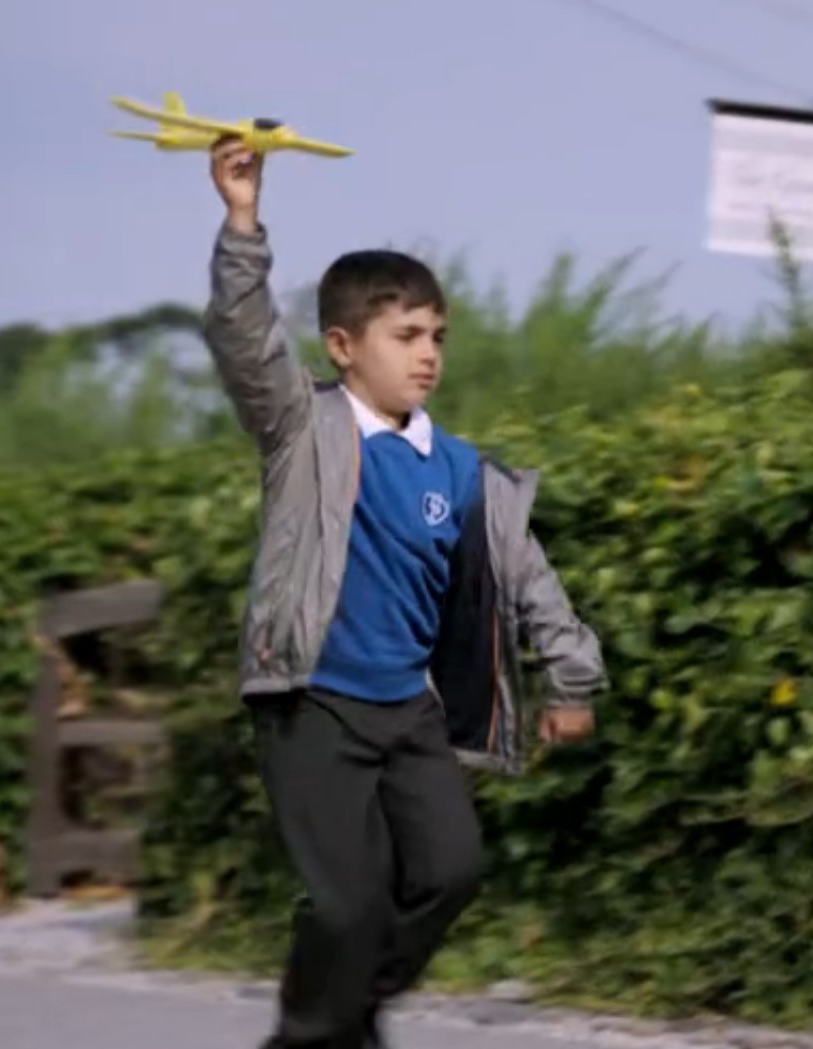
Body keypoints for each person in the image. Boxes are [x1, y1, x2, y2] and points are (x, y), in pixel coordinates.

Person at [199, 135, 607, 1049]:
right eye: (406, 337)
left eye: (438, 338)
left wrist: (572, 678)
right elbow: (242, 338)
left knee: (452, 871)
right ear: (343, 346)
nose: (428, 356)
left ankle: (343, 1013)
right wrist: (241, 221)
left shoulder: (464, 472)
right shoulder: (304, 431)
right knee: (345, 903)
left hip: (407, 711)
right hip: (312, 702)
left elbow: (529, 577)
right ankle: (313, 1029)